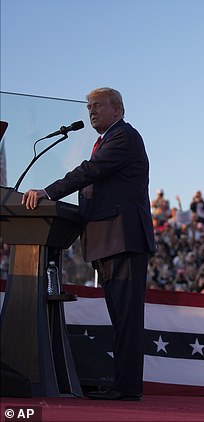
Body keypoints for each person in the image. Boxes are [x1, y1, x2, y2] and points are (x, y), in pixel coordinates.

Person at [22, 87, 155, 401]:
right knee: (120, 317)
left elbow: (90, 172)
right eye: (89, 106)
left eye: (97, 106)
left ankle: (127, 386)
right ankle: (124, 384)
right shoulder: (106, 140)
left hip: (123, 239)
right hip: (109, 240)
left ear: (117, 111)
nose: (91, 111)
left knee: (126, 318)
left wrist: (48, 192)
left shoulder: (124, 137)